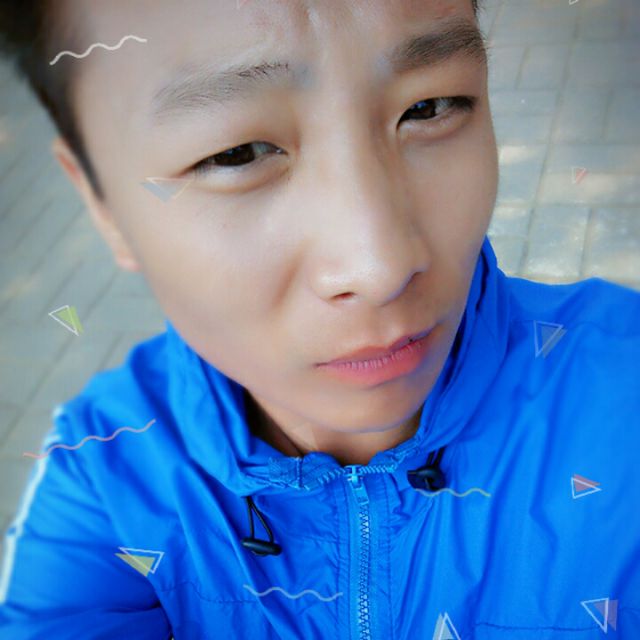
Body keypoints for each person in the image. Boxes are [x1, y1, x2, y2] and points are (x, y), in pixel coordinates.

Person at [0, 0, 638, 638]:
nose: (381, 266)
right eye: (238, 154)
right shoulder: (102, 475)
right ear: (102, 202)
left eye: (429, 107)